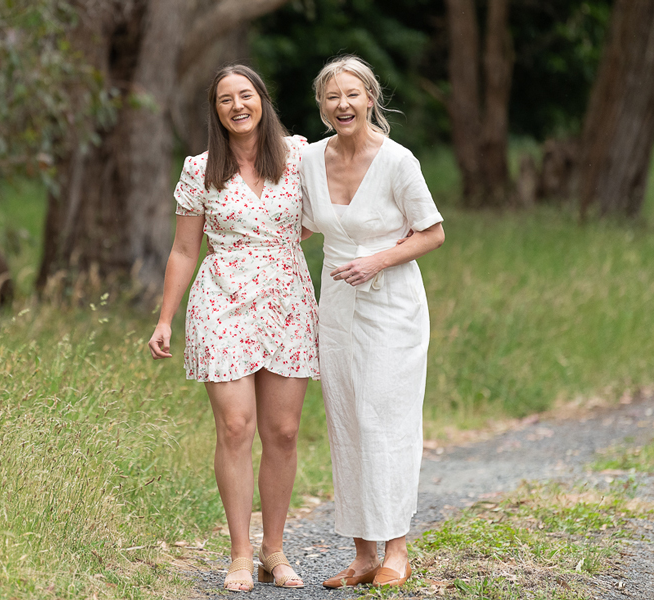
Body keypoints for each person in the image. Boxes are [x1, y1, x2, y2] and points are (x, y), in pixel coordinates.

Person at [147, 65, 319, 592]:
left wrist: (280, 248)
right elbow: (182, 249)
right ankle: (241, 555)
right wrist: (164, 319)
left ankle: (275, 551)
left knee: (283, 432)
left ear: (262, 100)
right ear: (216, 110)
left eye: (246, 95)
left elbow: (323, 216)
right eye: (226, 99)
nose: (237, 105)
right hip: (221, 303)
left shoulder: (298, 158)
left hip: (288, 301)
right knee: (237, 427)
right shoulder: (200, 170)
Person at [299, 55, 445, 589]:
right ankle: (362, 554)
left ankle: (396, 550)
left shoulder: (398, 161)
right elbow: (302, 228)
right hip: (336, 307)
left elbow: (432, 232)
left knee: (384, 421)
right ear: (321, 106)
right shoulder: (309, 161)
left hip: (392, 305)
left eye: (352, 95)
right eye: (332, 97)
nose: (343, 105)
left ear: (370, 99)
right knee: (346, 421)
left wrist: (377, 260)